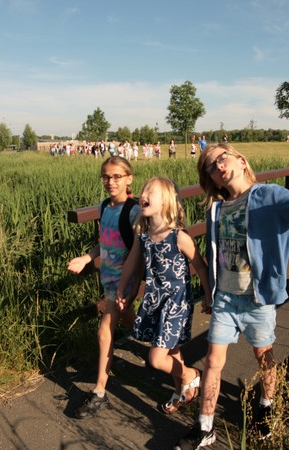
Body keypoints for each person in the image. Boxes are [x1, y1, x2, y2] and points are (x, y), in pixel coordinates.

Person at [174, 129, 289, 450]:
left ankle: (266, 404)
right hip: (226, 298)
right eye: (210, 167)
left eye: (221, 159)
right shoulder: (216, 210)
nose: (217, 167)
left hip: (258, 299)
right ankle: (205, 425)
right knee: (212, 361)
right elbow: (215, 254)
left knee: (263, 356)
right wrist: (211, 293)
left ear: (241, 161)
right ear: (211, 179)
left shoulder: (269, 195)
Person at [117, 177, 212, 416]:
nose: (143, 195)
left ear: (166, 201)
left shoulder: (178, 236)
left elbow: (201, 267)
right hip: (155, 300)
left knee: (157, 358)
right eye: (143, 190)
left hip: (176, 302)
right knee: (172, 350)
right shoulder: (143, 235)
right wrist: (123, 289)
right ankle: (181, 391)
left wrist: (208, 296)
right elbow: (132, 264)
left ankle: (190, 375)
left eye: (151, 192)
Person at [67, 156, 141, 418]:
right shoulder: (104, 207)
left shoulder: (134, 211)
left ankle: (99, 392)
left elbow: (139, 250)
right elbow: (105, 242)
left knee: (104, 331)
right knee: (131, 322)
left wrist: (131, 285)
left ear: (129, 178)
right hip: (108, 279)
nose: (111, 182)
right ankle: (158, 343)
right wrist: (87, 258)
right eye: (106, 177)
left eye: (117, 176)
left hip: (124, 281)